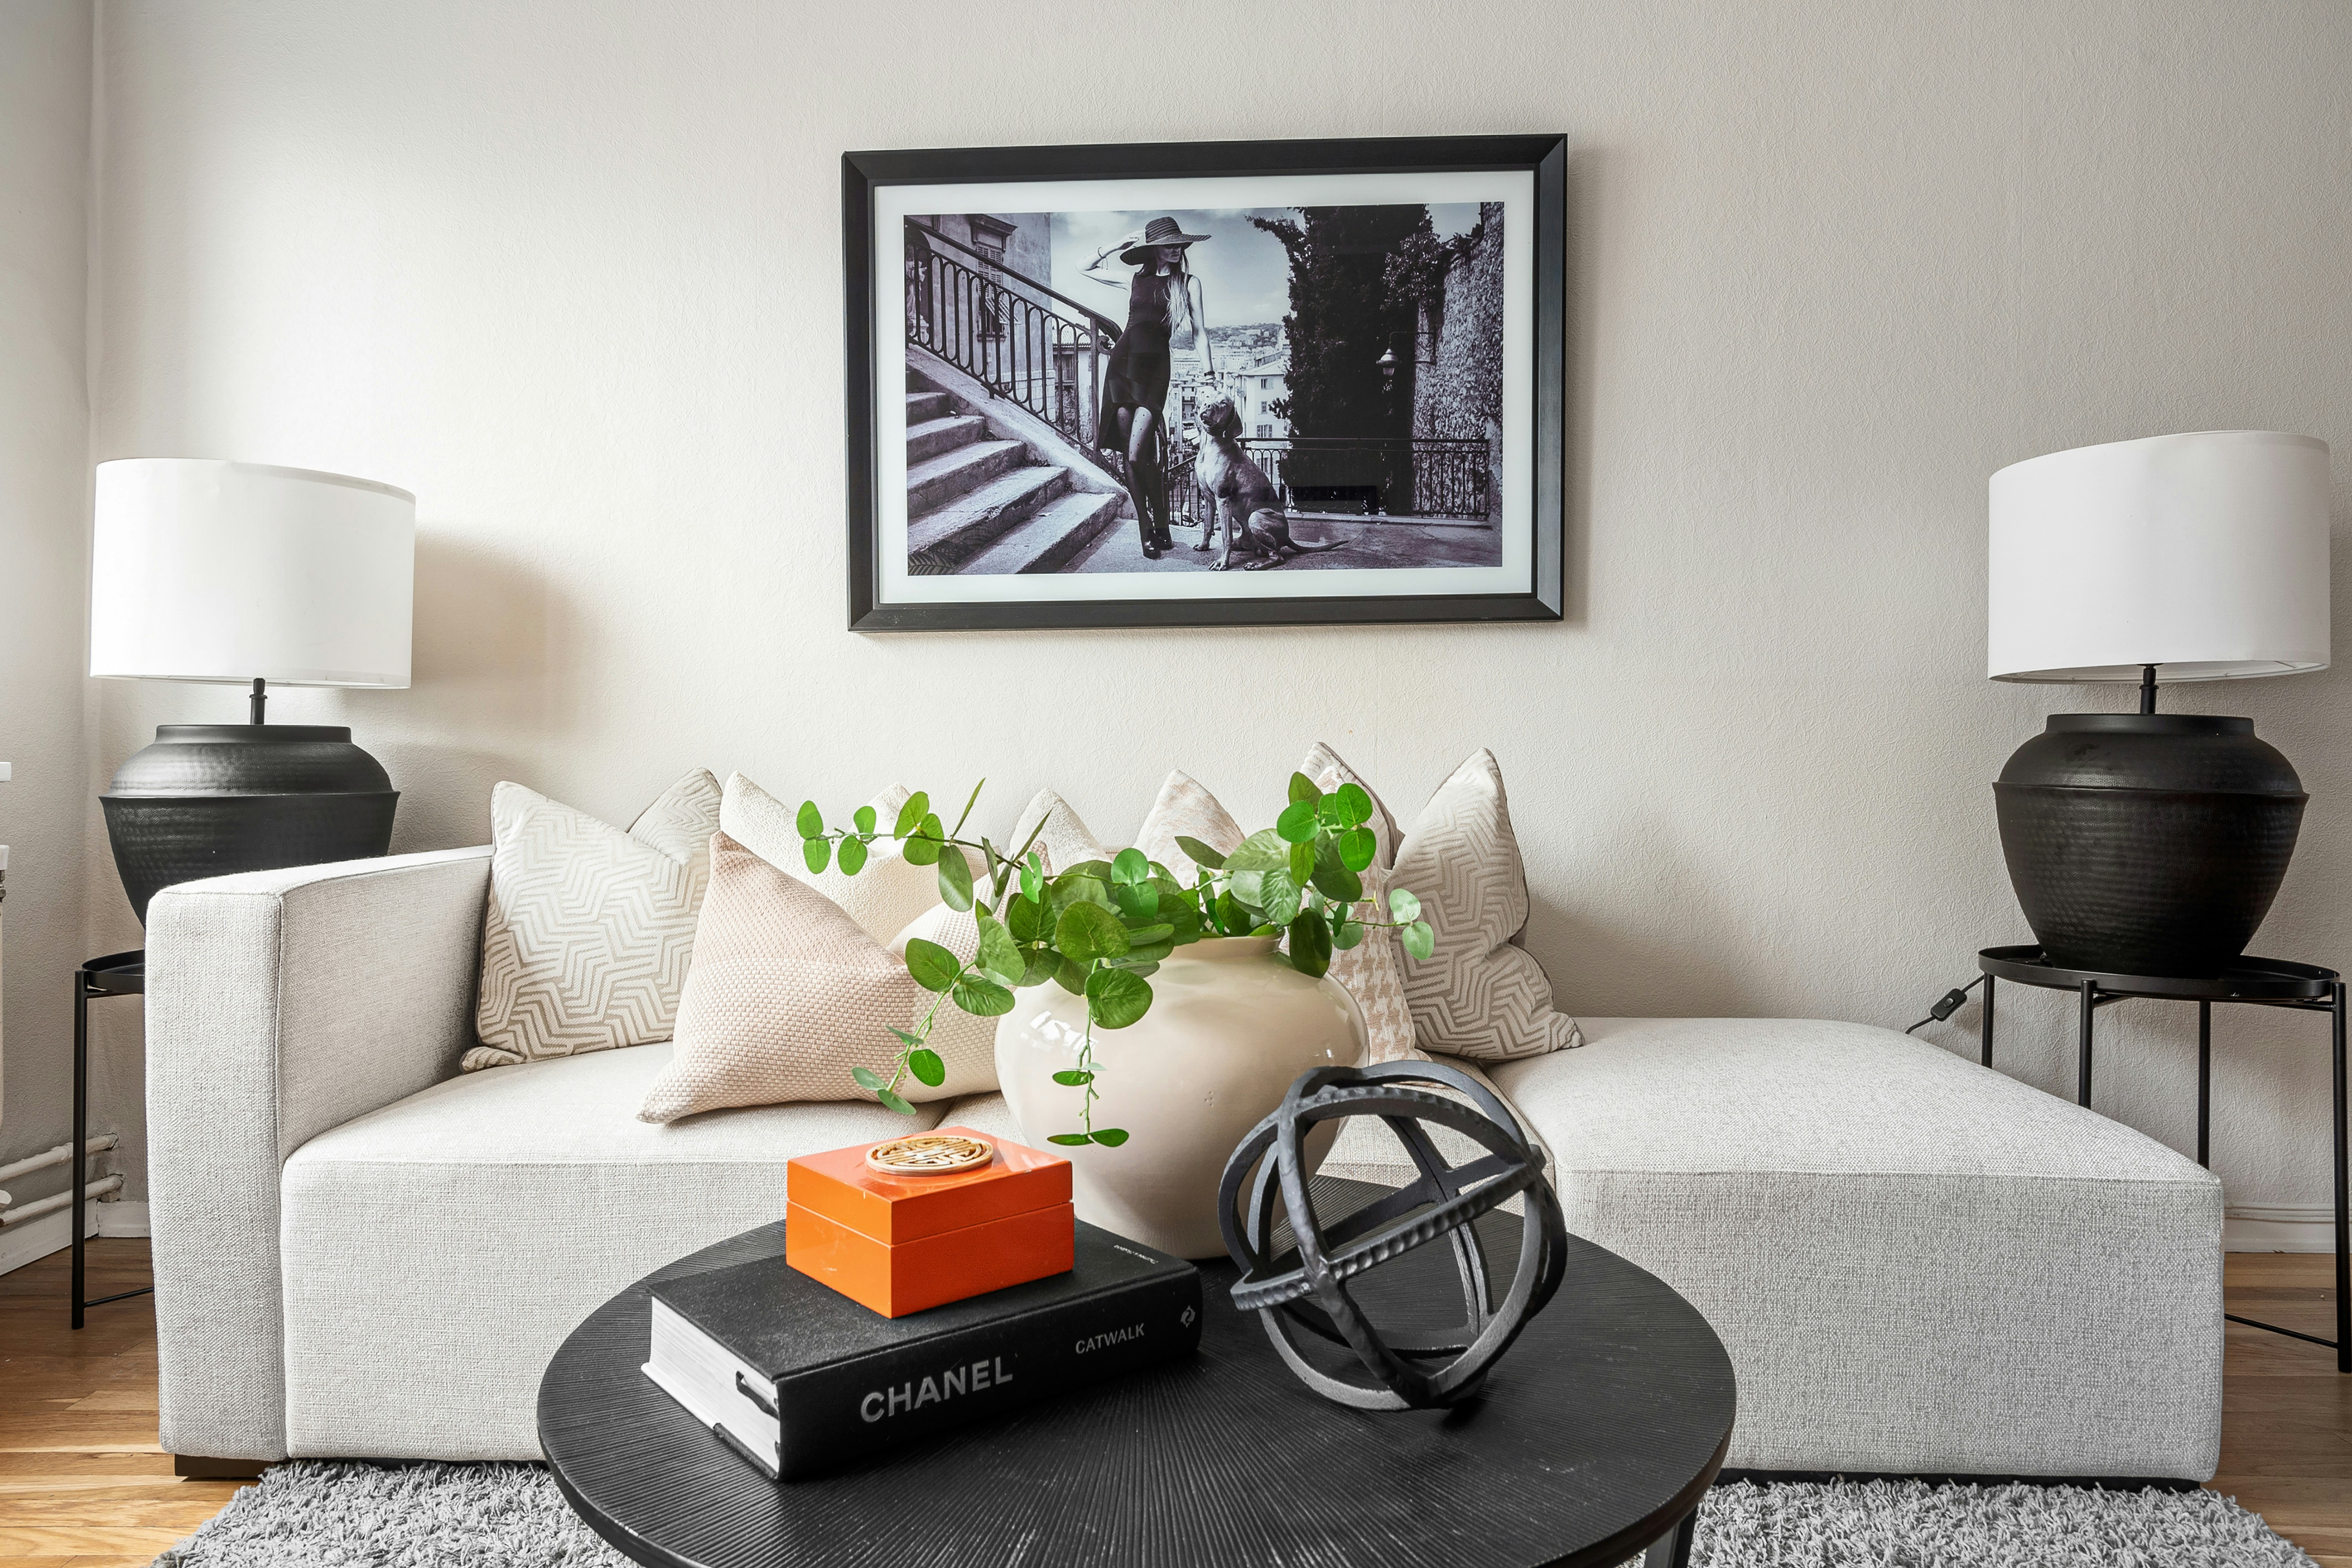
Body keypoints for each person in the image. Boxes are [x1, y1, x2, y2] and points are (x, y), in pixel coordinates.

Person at [1088, 216, 1214, 559]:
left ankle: (1160, 524)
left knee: (1137, 454)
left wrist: (1210, 375)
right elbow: (1084, 267)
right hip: (1122, 367)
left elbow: (1201, 333)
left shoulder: (1189, 284)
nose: (1176, 249)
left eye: (1179, 243)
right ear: (1154, 249)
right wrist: (1118, 245)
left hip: (1156, 372)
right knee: (1131, 455)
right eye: (1169, 243)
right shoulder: (1135, 279)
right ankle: (1150, 530)